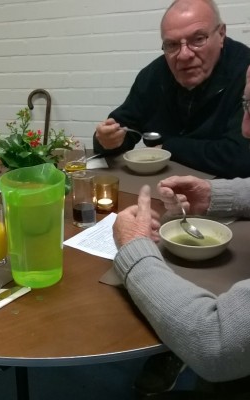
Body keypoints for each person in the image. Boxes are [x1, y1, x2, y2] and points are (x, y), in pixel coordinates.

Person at [111, 65, 250, 399]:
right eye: (246, 107)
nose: (245, 130)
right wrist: (214, 195)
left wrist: (133, 248)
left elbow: (216, 341)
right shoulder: (151, 76)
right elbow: (122, 124)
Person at [93, 0, 250, 179]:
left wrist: (170, 147)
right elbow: (123, 126)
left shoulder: (246, 73)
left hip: (223, 195)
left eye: (198, 39)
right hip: (158, 187)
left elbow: (242, 157)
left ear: (221, 34)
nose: (184, 55)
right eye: (172, 45)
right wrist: (106, 141)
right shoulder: (153, 75)